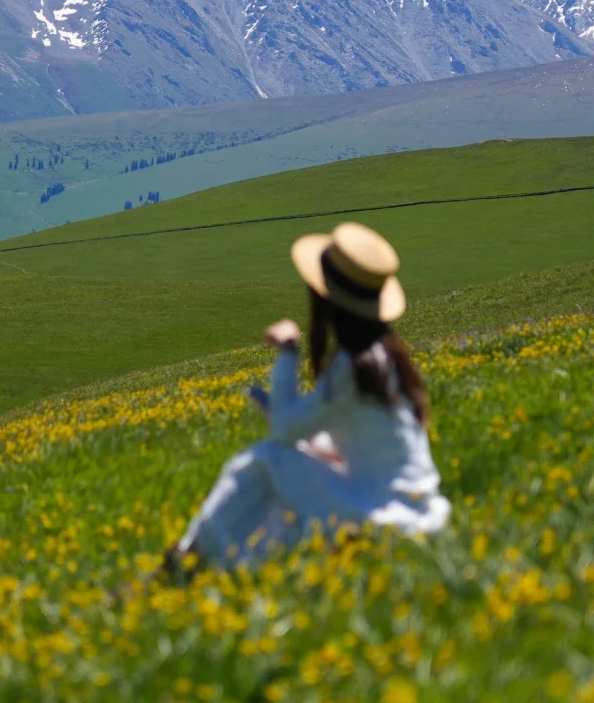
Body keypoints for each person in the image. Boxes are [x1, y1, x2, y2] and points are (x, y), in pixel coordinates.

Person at [171, 221, 450, 570]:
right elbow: (356, 441)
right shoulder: (388, 356)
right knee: (281, 462)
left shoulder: (352, 365)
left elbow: (285, 431)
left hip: (388, 515)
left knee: (266, 459)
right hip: (421, 510)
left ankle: (190, 561)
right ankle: (214, 559)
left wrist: (288, 352)